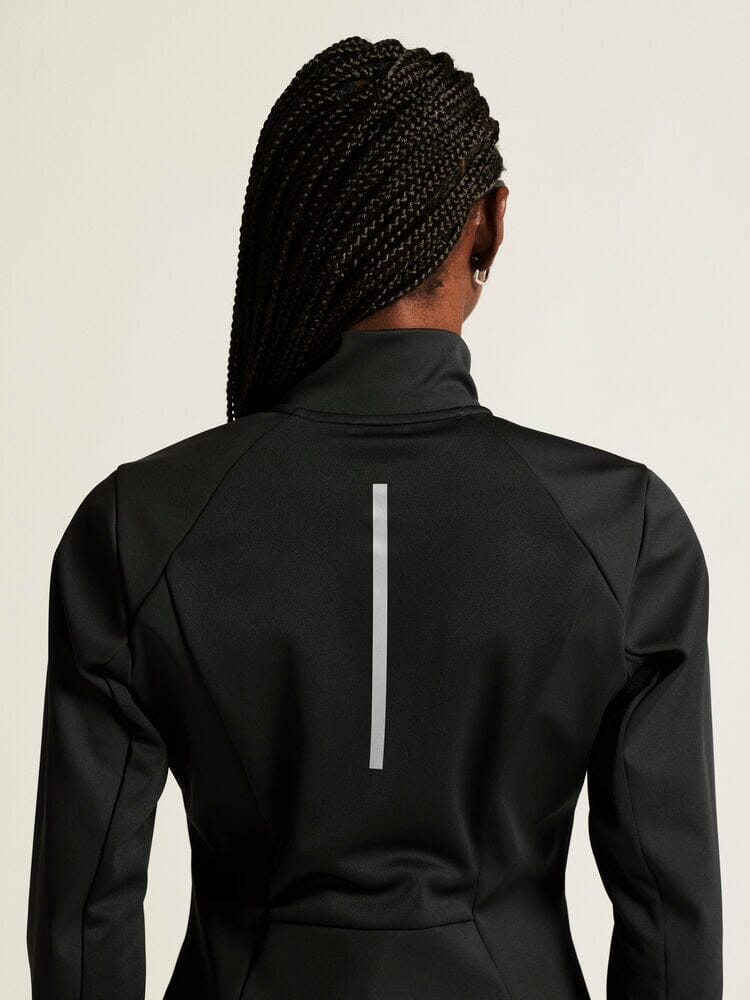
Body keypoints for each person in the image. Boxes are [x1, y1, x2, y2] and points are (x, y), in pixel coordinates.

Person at [27, 35, 722, 1000]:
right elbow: (672, 929)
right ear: (490, 225)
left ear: (287, 233)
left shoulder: (136, 530)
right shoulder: (626, 533)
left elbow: (84, 923)